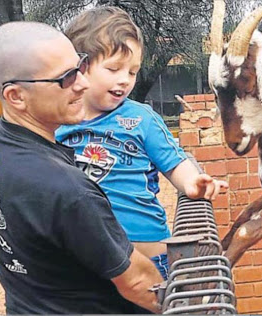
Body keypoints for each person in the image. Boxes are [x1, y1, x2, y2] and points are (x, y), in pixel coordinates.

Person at [0, 21, 164, 313]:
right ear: (16, 96)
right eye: (65, 78)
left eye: (80, 66)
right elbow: (140, 282)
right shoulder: (68, 190)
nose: (82, 82)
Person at [56, 6, 228, 282]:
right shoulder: (57, 124)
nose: (125, 79)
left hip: (148, 256)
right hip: (85, 264)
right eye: (113, 69)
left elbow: (175, 162)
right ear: (79, 68)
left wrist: (192, 183)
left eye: (133, 71)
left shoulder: (140, 119)